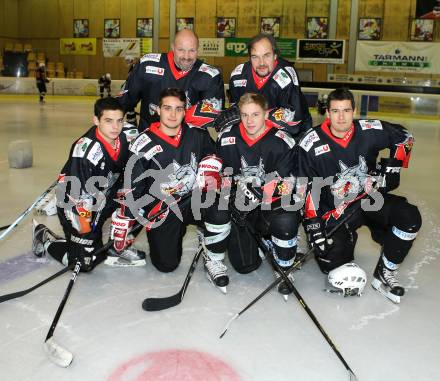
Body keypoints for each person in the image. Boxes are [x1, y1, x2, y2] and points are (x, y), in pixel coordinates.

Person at [298, 88, 422, 303]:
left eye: (346, 110)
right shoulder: (310, 143)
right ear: (327, 113)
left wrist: (392, 168)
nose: (341, 117)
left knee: (409, 217)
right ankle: (339, 245)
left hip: (369, 200)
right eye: (335, 111)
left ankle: (385, 272)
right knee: (334, 266)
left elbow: (405, 137)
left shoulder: (368, 129)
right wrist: (314, 226)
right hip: (334, 212)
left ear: (354, 111)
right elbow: (305, 189)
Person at [113, 88, 224, 286]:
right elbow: (133, 188)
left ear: (184, 111)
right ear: (158, 110)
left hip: (192, 200)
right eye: (167, 108)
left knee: (219, 205)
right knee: (166, 264)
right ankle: (173, 232)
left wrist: (209, 169)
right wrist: (126, 219)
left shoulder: (197, 134)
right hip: (163, 210)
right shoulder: (142, 143)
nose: (173, 114)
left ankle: (210, 246)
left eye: (178, 109)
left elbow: (212, 154)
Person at [202, 92, 300, 296]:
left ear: (266, 114)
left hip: (269, 207)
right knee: (245, 266)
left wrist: (260, 191)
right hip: (240, 208)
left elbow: (290, 186)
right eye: (245, 115)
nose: (249, 121)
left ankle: (284, 265)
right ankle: (213, 257)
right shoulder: (227, 137)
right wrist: (228, 190)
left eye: (255, 114)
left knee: (287, 216)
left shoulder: (282, 140)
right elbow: (218, 176)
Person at [31, 97, 143, 271]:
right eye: (108, 121)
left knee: (147, 200)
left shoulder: (129, 134)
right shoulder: (85, 152)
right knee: (85, 263)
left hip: (107, 194)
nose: (115, 127)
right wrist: (85, 228)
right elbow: (78, 197)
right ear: (96, 120)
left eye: (119, 120)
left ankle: (118, 245)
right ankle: (46, 237)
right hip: (76, 203)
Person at [117, 29, 225, 131]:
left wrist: (169, 118)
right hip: (149, 141)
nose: (186, 57)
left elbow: (214, 114)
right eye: (181, 50)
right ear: (173, 47)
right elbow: (122, 103)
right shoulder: (147, 65)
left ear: (198, 49)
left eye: (192, 50)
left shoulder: (210, 75)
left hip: (190, 145)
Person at [226, 33, 312, 136]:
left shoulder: (286, 76)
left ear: (275, 55)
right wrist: (233, 113)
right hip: (255, 128)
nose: (261, 63)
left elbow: (293, 119)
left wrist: (262, 116)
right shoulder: (238, 76)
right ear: (249, 58)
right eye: (255, 57)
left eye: (266, 55)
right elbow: (236, 107)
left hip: (295, 131)